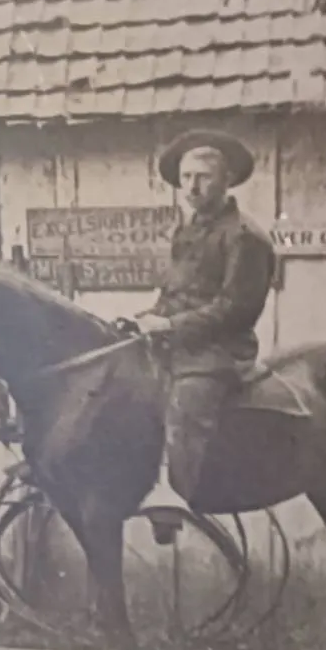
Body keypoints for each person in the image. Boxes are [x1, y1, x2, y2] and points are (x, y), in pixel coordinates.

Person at [130, 129, 278, 501]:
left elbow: (235, 308)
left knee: (187, 407)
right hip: (179, 344)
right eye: (186, 178)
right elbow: (174, 294)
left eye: (203, 177)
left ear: (227, 180)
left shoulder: (244, 236)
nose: (192, 187)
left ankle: (178, 498)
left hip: (219, 353)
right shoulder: (187, 231)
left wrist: (170, 326)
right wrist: (145, 318)